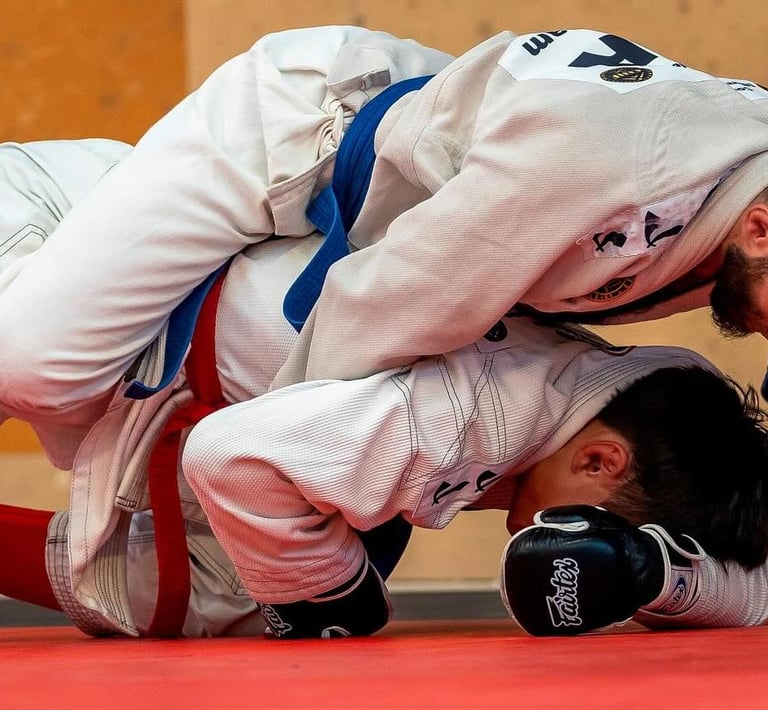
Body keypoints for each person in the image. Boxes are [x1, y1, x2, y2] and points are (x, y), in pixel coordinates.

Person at [1, 141, 768, 640]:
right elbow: (229, 453)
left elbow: (756, 581)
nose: (577, 545)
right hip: (60, 237)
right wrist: (331, 596)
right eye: (600, 526)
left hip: (134, 316)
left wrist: (660, 572)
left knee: (217, 595)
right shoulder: (461, 420)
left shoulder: (673, 404)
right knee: (23, 362)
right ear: (602, 462)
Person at [2, 24, 768, 423]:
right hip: (291, 133)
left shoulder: (740, 177)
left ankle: (119, 216)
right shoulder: (603, 172)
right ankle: (76, 193)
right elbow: (368, 309)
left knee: (222, 596)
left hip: (410, 182)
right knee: (40, 370)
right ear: (760, 228)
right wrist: (267, 451)